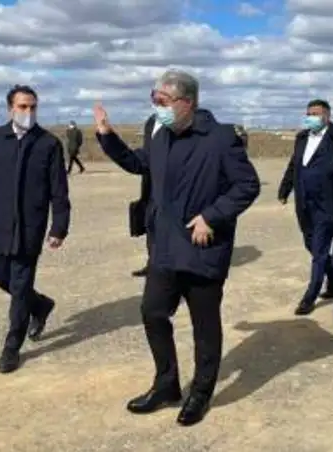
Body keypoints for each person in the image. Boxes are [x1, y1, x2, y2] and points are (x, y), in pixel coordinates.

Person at [93, 69, 260, 426]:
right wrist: (108, 138)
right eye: (154, 100)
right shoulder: (159, 133)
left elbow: (247, 185)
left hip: (203, 249)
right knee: (153, 312)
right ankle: (166, 384)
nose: (157, 107)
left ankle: (200, 393)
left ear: (187, 102)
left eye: (163, 101)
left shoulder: (220, 138)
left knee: (204, 327)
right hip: (165, 247)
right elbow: (140, 164)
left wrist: (211, 216)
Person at [0, 85, 71, 374]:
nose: (29, 112)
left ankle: (12, 347)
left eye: (33, 107)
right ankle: (41, 305)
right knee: (2, 278)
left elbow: (59, 191)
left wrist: (59, 226)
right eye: (23, 106)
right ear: (10, 108)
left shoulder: (48, 144)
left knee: (21, 287)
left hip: (30, 227)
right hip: (0, 224)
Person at [278, 99, 333, 316]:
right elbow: (294, 165)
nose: (311, 117)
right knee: (310, 244)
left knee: (319, 250)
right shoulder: (302, 137)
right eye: (309, 113)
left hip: (326, 203)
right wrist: (284, 189)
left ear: (327, 116)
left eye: (316, 114)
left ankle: (310, 296)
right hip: (304, 202)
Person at [130, 113, 161, 277]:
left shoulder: (184, 120)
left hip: (173, 183)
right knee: (151, 224)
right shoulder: (152, 121)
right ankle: (153, 264)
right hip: (150, 182)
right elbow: (146, 151)